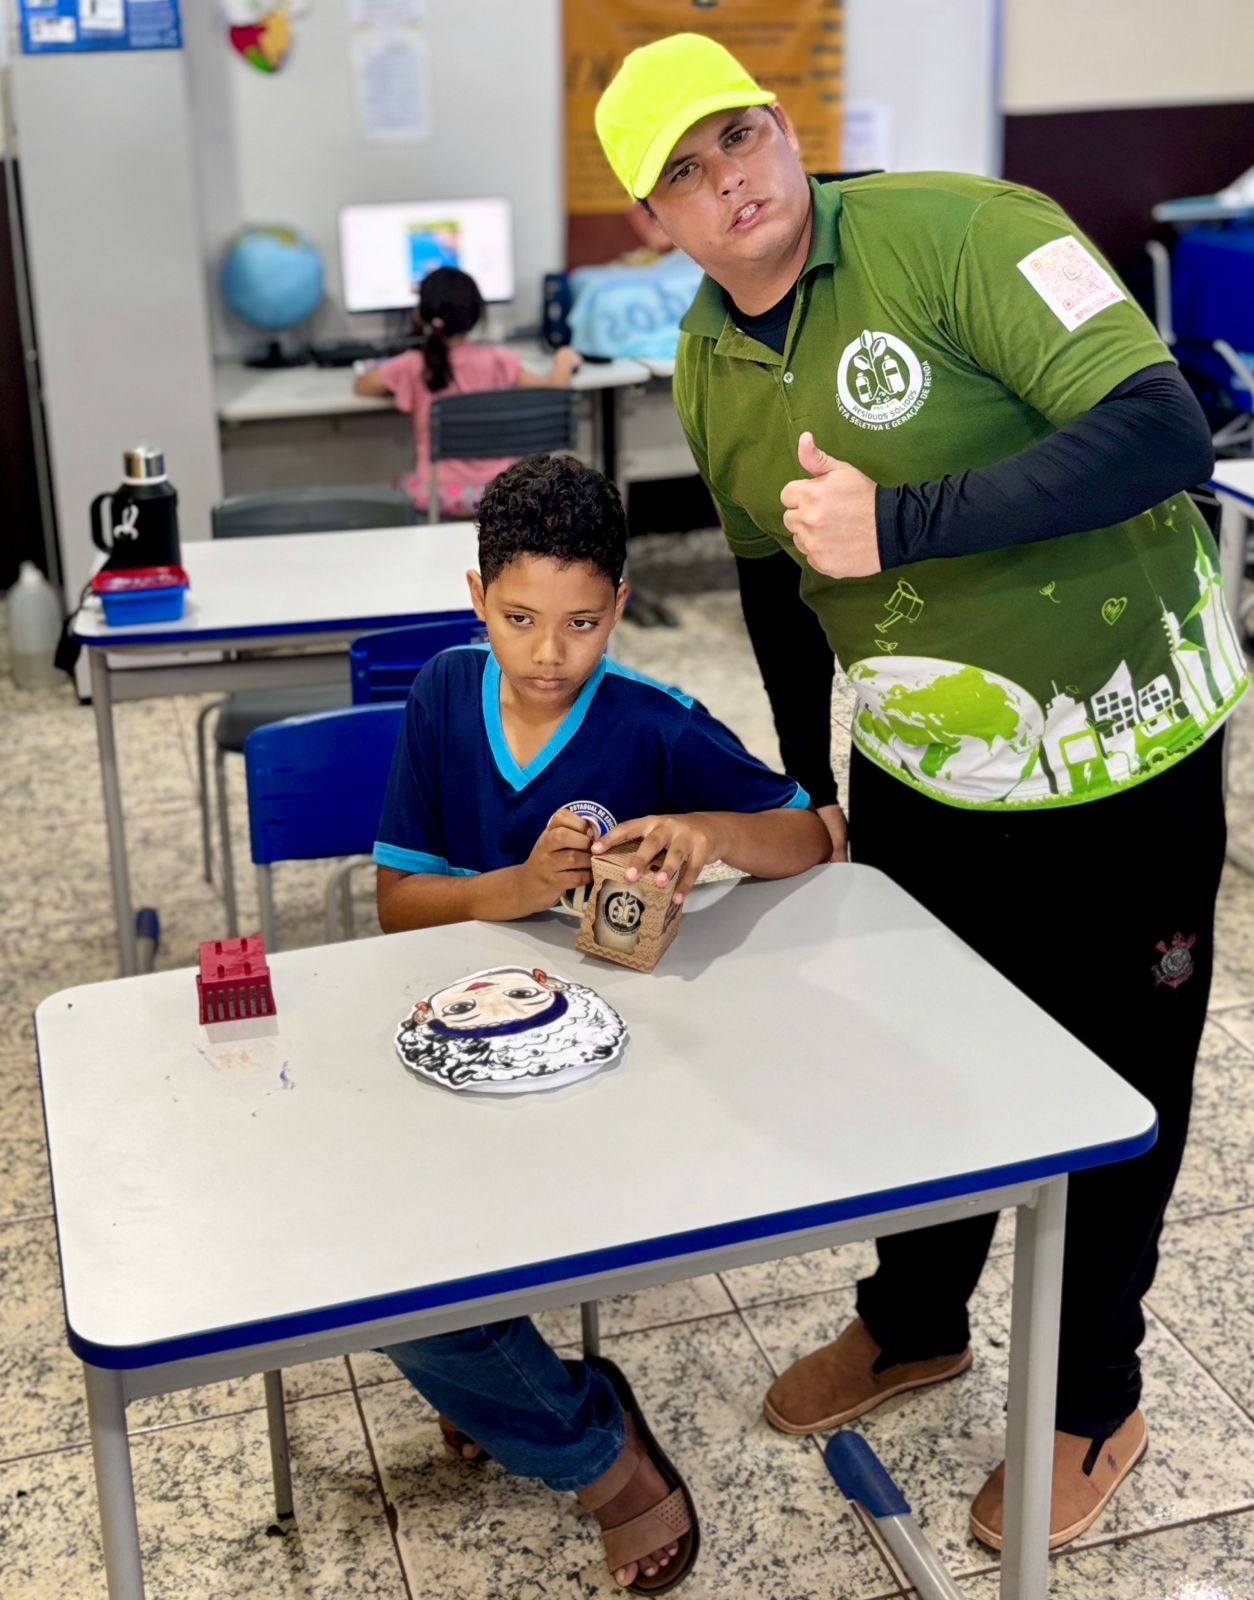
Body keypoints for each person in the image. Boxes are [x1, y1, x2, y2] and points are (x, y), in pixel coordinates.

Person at [594, 32, 1249, 1551]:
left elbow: (1162, 429)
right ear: (653, 221)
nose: (728, 179)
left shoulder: (964, 230)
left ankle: (1094, 1399)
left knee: (1119, 1085)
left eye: (739, 134)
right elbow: (772, 581)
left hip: (1122, 748)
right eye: (683, 171)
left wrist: (902, 522)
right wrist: (805, 781)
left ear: (783, 125)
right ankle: (915, 1318)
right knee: (919, 1059)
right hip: (923, 770)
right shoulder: (704, 360)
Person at [372, 452, 831, 1591]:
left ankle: (578, 1447)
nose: (548, 654)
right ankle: (572, 1420)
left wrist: (707, 835)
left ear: (620, 607)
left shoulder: (653, 722)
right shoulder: (442, 694)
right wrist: (516, 888)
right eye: (518, 619)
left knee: (444, 1290)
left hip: (620, 1067)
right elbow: (396, 906)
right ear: (476, 598)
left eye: (581, 624)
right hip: (463, 1054)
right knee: (387, 1274)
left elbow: (812, 834)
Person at [352, 266, 581, 516]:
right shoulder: (498, 360)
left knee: (398, 483)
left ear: (421, 314)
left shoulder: (412, 365)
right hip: (500, 492)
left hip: (438, 495)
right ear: (476, 315)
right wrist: (564, 359)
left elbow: (362, 386)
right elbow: (554, 389)